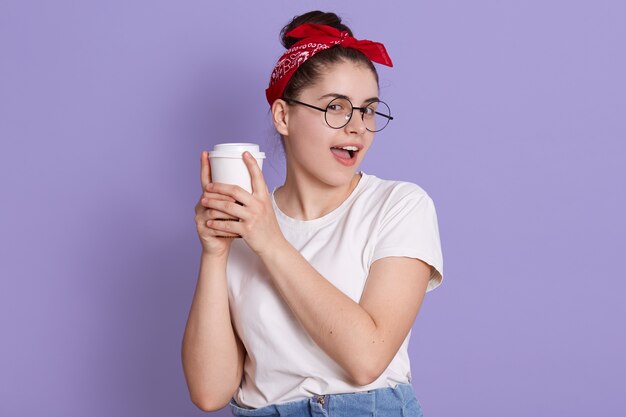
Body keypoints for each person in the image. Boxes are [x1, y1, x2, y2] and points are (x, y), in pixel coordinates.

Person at [182, 10, 444, 417]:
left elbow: (366, 359)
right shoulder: (245, 226)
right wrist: (215, 254)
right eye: (336, 107)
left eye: (368, 110)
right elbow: (209, 392)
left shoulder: (399, 206)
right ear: (283, 116)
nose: (357, 126)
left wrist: (271, 243)